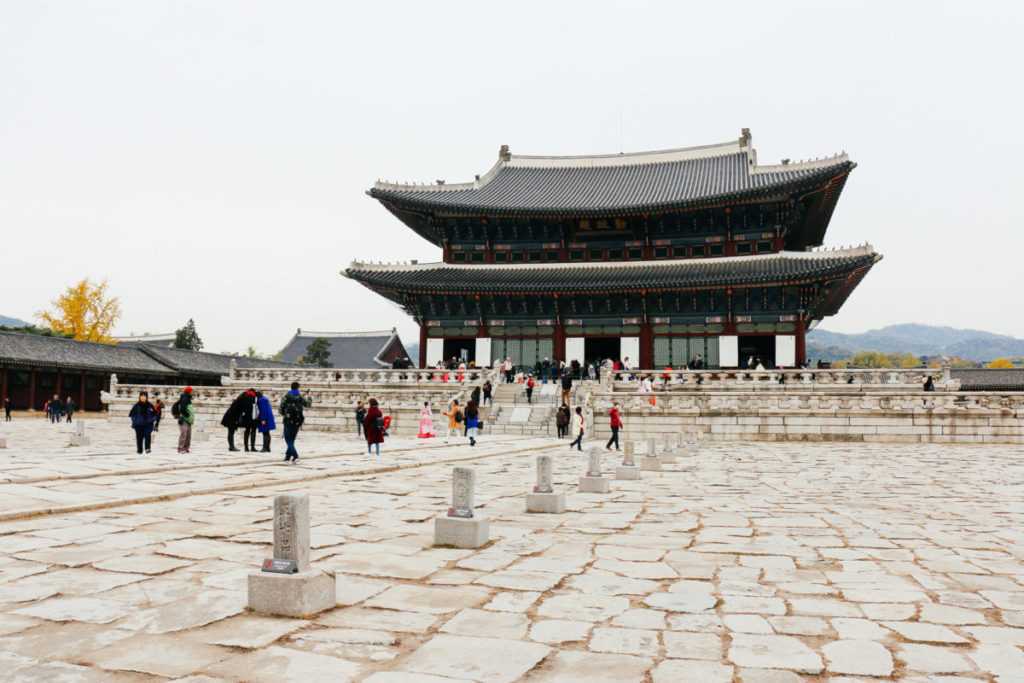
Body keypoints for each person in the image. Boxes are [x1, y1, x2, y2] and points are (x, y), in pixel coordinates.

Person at [279, 381, 311, 462]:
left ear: (291, 387)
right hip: (297, 420)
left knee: (287, 438)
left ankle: (295, 455)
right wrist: (309, 397)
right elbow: (308, 405)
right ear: (298, 387)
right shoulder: (300, 396)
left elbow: (281, 408)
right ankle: (288, 456)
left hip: (288, 419)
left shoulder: (286, 396)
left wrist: (284, 414)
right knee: (292, 439)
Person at [174, 387, 195, 454]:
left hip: (188, 420)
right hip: (184, 419)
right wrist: (187, 416)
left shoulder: (188, 398)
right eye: (191, 391)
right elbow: (182, 409)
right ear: (189, 391)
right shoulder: (185, 398)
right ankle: (181, 448)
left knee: (188, 434)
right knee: (184, 434)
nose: (192, 392)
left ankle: (186, 448)